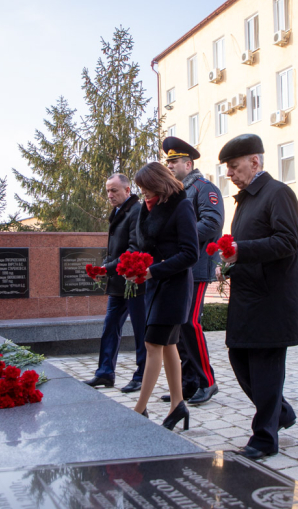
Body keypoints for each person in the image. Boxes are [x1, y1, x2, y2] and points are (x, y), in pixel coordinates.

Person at [216, 133, 298, 459]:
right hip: (247, 296)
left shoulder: (277, 193)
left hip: (271, 299)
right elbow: (248, 245)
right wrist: (228, 264)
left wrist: (240, 250)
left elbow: (286, 243)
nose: (229, 173)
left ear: (255, 162)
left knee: (265, 369)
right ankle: (280, 412)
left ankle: (265, 439)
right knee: (239, 359)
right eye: (227, 168)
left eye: (234, 166)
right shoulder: (246, 199)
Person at [131, 162, 198, 431]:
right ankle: (177, 405)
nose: (143, 192)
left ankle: (139, 409)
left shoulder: (182, 205)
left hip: (174, 286)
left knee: (152, 344)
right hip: (155, 284)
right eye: (140, 188)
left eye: (146, 186)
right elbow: (145, 246)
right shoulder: (149, 208)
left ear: (158, 182)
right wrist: (133, 267)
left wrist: (153, 271)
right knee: (169, 346)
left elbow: (191, 253)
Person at [163, 136, 225, 405]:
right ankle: (188, 383)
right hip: (179, 265)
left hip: (197, 265)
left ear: (188, 164)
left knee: (190, 322)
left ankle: (207, 381)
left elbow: (211, 223)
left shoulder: (204, 188)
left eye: (174, 162)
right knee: (179, 324)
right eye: (168, 162)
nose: (169, 166)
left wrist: (180, 238)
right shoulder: (176, 193)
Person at [82, 174, 147, 392]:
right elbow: (117, 249)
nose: (110, 195)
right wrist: (105, 268)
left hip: (135, 283)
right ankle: (105, 373)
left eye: (114, 190)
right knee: (110, 327)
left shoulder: (136, 211)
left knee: (141, 331)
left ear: (127, 190)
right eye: (108, 191)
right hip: (119, 284)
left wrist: (107, 268)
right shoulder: (119, 211)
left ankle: (142, 376)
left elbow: (134, 249)